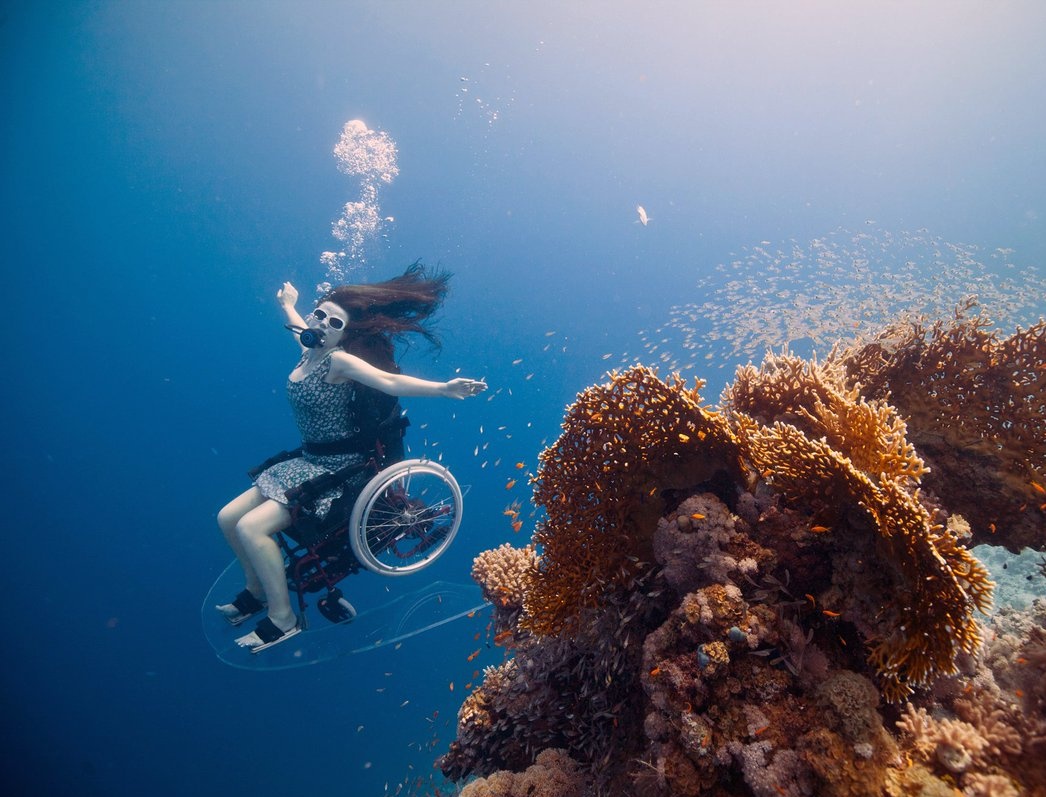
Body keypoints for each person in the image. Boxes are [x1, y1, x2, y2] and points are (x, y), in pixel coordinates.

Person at [215, 264, 487, 652]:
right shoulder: (310, 346)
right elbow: (300, 324)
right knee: (227, 518)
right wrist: (290, 305)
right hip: (305, 461)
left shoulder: (338, 361)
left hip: (338, 470)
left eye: (334, 323)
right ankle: (256, 592)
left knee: (251, 528)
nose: (322, 325)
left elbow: (390, 381)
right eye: (319, 316)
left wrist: (444, 388)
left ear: (344, 334)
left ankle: (283, 619)